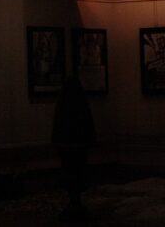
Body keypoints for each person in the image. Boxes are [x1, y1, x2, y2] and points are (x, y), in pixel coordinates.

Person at [51, 75, 97, 221]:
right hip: (79, 148)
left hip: (66, 149)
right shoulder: (82, 104)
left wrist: (58, 142)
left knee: (69, 175)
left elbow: (57, 125)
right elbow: (88, 123)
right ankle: (76, 202)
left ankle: (73, 202)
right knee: (79, 175)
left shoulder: (62, 104)